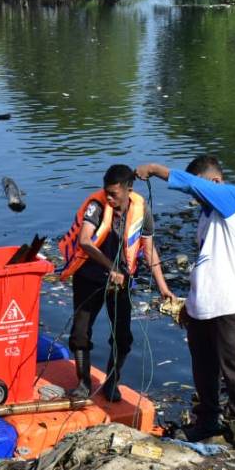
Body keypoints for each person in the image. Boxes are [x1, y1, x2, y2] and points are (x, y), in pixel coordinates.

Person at [135, 156, 235, 449]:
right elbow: (207, 262)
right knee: (204, 370)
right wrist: (189, 305)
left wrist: (155, 170)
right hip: (202, 307)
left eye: (202, 190)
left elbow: (190, 185)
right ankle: (208, 422)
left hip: (230, 306)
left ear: (214, 182)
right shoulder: (207, 216)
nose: (198, 198)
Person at [59, 164, 175, 401]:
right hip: (89, 279)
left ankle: (113, 380)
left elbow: (149, 250)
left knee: (122, 337)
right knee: (80, 334)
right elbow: (84, 240)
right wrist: (109, 266)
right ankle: (83, 382)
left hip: (121, 283)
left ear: (128, 190)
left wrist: (164, 288)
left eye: (114, 194)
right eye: (107, 192)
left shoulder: (142, 211)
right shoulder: (96, 206)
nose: (109, 198)